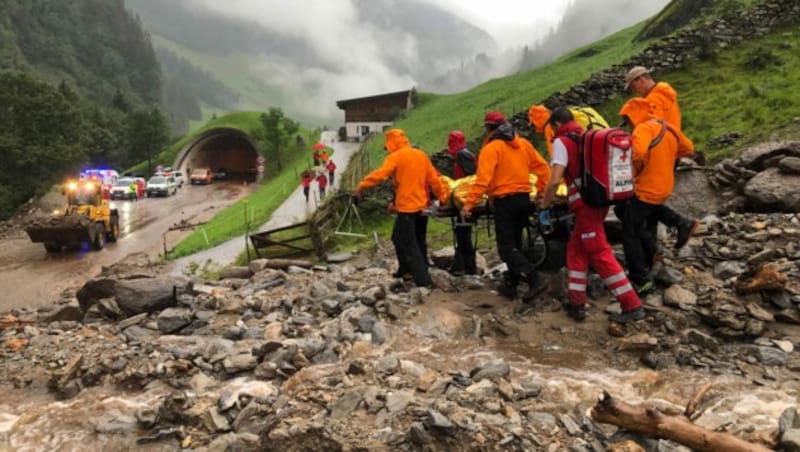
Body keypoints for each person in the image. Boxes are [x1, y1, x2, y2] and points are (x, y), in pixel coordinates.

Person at [539, 108, 644, 323]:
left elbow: (555, 179)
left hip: (584, 203)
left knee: (599, 252)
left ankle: (631, 304)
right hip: (599, 199)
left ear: (557, 125)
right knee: (576, 250)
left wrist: (544, 205)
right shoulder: (585, 137)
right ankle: (576, 302)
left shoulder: (562, 142)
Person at [461, 111, 551, 301]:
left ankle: (535, 280)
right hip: (524, 198)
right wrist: (542, 191)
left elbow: (483, 180)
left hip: (504, 201)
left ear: (488, 129)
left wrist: (468, 205)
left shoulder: (492, 148)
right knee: (516, 244)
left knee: (506, 248)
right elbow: (543, 168)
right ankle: (511, 283)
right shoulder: (523, 144)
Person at [617, 98, 695, 295]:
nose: (629, 124)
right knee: (627, 211)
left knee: (629, 231)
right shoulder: (666, 126)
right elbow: (688, 148)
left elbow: (638, 153)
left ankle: (639, 278)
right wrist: (665, 158)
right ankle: (679, 226)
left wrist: (638, 170)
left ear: (634, 114)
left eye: (628, 119)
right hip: (665, 185)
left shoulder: (642, 129)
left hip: (647, 187)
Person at [356, 129, 449, 288]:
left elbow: (381, 174)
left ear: (391, 143)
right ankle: (406, 270)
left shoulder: (395, 157)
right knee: (415, 240)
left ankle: (423, 280)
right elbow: (434, 179)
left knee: (406, 241)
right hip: (422, 205)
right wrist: (443, 198)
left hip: (408, 207)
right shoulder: (421, 155)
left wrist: (363, 185)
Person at [624, 66, 699, 250]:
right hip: (670, 148)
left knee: (646, 198)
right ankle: (655, 242)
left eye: (634, 87)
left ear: (642, 79)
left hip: (657, 153)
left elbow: (651, 126)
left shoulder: (654, 99)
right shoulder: (665, 93)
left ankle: (666, 235)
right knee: (652, 199)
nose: (635, 91)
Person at [445, 130, 477, 275]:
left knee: (463, 232)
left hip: (466, 198)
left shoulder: (461, 155)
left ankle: (467, 266)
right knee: (461, 231)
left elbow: (470, 177)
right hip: (465, 197)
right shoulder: (465, 153)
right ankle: (462, 265)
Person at [528, 104, 609, 159]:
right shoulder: (575, 111)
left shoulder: (550, 127)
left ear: (536, 121)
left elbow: (556, 157)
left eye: (533, 124)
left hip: (595, 149)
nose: (534, 128)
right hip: (607, 138)